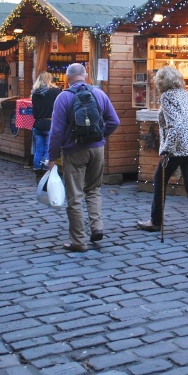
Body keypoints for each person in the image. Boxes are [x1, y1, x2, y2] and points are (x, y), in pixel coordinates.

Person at [46, 63, 120, 252]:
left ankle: (78, 241)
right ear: (85, 76)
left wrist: (52, 157)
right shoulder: (99, 94)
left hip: (74, 151)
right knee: (94, 189)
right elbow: (114, 121)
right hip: (97, 149)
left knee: (75, 196)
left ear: (67, 78)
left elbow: (56, 131)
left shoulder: (63, 98)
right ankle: (97, 227)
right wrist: (101, 135)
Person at [135, 66, 188, 240]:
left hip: (178, 146)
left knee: (160, 180)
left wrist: (166, 149)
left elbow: (175, 125)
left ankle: (155, 220)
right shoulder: (184, 94)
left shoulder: (167, 97)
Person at [31, 72, 62, 176]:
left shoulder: (35, 92)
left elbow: (34, 111)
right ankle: (46, 171)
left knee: (39, 149)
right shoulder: (56, 91)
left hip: (38, 123)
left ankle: (37, 170)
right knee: (48, 149)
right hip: (50, 123)